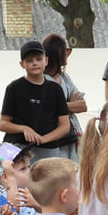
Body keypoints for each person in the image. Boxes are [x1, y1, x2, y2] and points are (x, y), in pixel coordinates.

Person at [0, 40, 71, 161]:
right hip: (18, 148)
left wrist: (44, 139)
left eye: (38, 59)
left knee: (49, 179)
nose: (34, 63)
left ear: (46, 61)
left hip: (49, 150)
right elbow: (3, 124)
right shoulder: (14, 88)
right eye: (29, 60)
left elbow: (65, 126)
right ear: (22, 64)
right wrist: (24, 129)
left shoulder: (55, 89)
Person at [42, 33, 85, 161]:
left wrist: (59, 107)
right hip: (54, 139)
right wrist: (70, 106)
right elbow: (46, 109)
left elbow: (83, 106)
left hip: (72, 135)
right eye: (66, 50)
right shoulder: (41, 80)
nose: (67, 54)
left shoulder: (65, 78)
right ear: (57, 53)